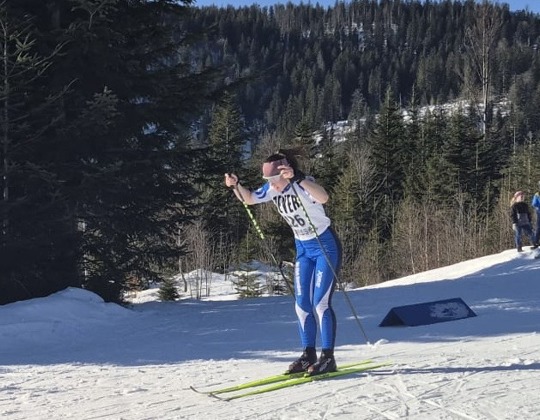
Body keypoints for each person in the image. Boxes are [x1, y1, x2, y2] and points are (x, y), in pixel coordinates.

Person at [224, 149, 342, 375]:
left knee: (321, 303)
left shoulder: (302, 185)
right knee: (301, 304)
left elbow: (324, 197)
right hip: (303, 248)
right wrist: (236, 185)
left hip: (325, 245)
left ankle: (328, 357)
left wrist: (298, 177)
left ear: (285, 174)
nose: (272, 186)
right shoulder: (271, 189)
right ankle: (308, 354)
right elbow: (249, 199)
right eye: (268, 181)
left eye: (275, 180)